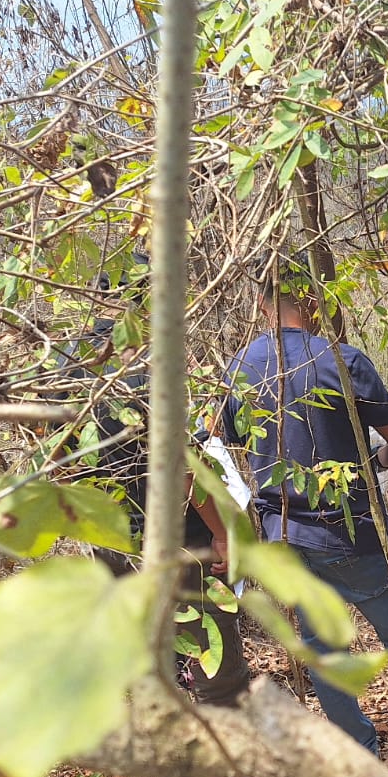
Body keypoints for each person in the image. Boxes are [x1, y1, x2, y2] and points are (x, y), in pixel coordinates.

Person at [216, 254, 388, 777]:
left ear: (262, 303)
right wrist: (370, 465)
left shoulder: (241, 367)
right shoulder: (343, 360)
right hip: (356, 534)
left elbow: (217, 440)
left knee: (327, 653)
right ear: (314, 300)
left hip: (286, 540)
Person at [64, 267, 252, 706]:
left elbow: (55, 464)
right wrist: (223, 533)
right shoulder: (145, 368)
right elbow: (181, 464)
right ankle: (226, 753)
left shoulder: (64, 367)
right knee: (214, 659)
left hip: (110, 537)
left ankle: (169, 742)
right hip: (179, 539)